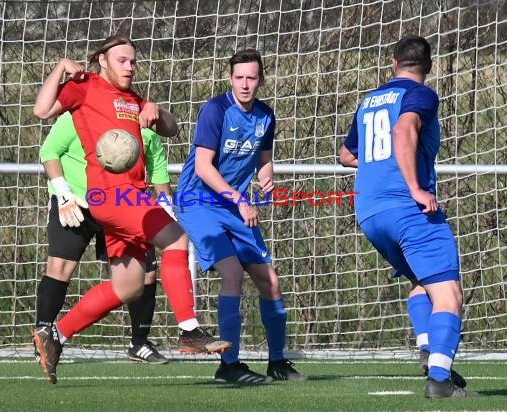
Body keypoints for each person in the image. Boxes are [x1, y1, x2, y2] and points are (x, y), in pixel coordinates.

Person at [32, 34, 231, 384]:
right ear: (102, 62)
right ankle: (189, 330)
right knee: (177, 240)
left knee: (128, 287)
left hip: (131, 196)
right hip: (110, 195)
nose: (130, 66)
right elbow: (41, 110)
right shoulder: (86, 87)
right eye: (122, 60)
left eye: (133, 61)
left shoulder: (133, 99)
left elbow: (171, 129)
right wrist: (61, 68)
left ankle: (56, 337)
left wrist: (158, 111)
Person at [339, 35, 478, 398]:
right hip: (405, 207)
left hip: (369, 212)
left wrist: (380, 164)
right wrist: (416, 187)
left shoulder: (369, 102)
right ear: (428, 67)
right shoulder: (420, 95)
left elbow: (345, 155)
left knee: (419, 279)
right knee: (449, 294)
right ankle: (439, 380)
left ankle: (429, 348)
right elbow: (403, 130)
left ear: (392, 63)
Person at [176, 49, 305, 384]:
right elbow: (204, 167)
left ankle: (277, 362)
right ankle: (228, 366)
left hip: (234, 206)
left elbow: (263, 159)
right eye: (239, 78)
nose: (245, 84)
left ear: (261, 79)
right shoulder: (216, 110)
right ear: (230, 79)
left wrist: (267, 179)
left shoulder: (265, 116)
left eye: (251, 77)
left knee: (270, 280)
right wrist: (241, 200)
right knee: (232, 273)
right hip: (198, 201)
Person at [36, 111, 176, 365]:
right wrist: (63, 192)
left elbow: (158, 172)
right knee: (60, 267)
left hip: (123, 206)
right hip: (75, 202)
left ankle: (139, 343)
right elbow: (49, 152)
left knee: (144, 274)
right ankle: (44, 337)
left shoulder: (144, 125)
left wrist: (166, 209)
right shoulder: (79, 115)